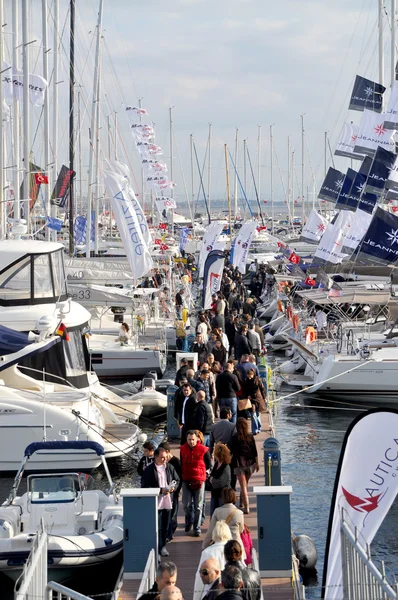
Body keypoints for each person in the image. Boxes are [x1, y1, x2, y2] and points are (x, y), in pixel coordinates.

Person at [141, 447, 180, 557]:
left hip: (167, 502)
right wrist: (160, 490)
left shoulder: (170, 467)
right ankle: (156, 549)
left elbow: (177, 480)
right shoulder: (149, 470)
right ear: (156, 457)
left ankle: (162, 546)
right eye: (162, 458)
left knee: (165, 526)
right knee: (156, 527)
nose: (164, 460)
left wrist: (173, 488)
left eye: (166, 457)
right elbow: (144, 487)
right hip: (155, 503)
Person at [180, 430, 212, 536]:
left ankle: (196, 527)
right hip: (186, 479)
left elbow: (209, 465)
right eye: (189, 440)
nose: (191, 442)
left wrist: (203, 473)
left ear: (197, 439)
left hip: (199, 480)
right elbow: (181, 463)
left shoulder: (203, 450)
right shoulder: (182, 449)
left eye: (193, 440)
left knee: (198, 506)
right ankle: (189, 520)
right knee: (186, 505)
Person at [202, 487, 245, 557]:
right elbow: (241, 530)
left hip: (221, 545)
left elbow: (211, 530)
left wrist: (205, 545)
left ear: (222, 498)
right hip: (236, 546)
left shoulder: (217, 511)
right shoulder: (239, 513)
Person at [230, 419, 259, 514]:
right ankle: (242, 502)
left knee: (243, 486)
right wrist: (257, 463)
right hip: (250, 464)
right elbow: (255, 451)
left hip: (239, 464)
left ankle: (246, 507)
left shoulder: (234, 437)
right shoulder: (250, 437)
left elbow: (232, 451)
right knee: (246, 484)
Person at [158, 442, 182, 540]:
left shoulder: (176, 462)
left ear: (167, 452)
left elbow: (179, 478)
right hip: (164, 492)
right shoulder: (162, 463)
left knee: (173, 514)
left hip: (173, 492)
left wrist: (175, 490)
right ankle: (166, 533)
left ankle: (171, 532)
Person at [209, 443, 232, 515]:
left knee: (222, 515)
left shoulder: (226, 466)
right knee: (213, 515)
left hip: (223, 495)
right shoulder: (216, 463)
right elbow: (212, 475)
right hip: (215, 494)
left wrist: (212, 480)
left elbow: (222, 481)